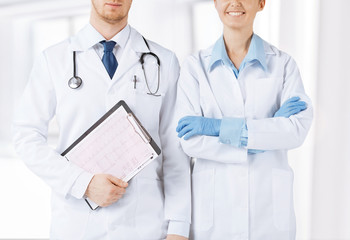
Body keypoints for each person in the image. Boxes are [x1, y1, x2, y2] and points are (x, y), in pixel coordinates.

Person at [12, 0, 190, 239]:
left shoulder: (163, 61)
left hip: (144, 224)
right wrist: (81, 183)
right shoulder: (54, 59)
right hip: (77, 225)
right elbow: (26, 136)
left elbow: (175, 150)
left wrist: (178, 228)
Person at [175, 0, 313, 239]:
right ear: (216, 3)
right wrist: (265, 133)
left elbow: (296, 130)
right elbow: (190, 141)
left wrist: (217, 128)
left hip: (268, 217)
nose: (235, 3)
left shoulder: (283, 64)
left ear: (261, 3)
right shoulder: (194, 67)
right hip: (214, 216)